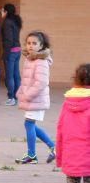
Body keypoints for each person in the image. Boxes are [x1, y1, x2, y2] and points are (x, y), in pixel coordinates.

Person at [55, 63, 90, 183]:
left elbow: (60, 130)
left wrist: (60, 155)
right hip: (88, 158)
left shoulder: (68, 102)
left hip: (71, 155)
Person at [14, 31, 56, 164]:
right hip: (31, 99)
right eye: (28, 43)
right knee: (30, 125)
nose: (31, 46)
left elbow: (41, 83)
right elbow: (26, 81)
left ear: (41, 46)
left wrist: (27, 95)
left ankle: (32, 155)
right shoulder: (30, 59)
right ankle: (53, 147)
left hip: (36, 99)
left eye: (34, 43)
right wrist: (20, 93)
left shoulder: (41, 61)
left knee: (29, 124)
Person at [1, 3, 22, 106]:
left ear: (6, 11)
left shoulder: (7, 23)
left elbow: (9, 39)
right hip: (18, 50)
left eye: (2, 10)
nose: (1, 11)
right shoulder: (16, 21)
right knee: (16, 75)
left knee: (10, 76)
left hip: (11, 51)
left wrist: (5, 53)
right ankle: (17, 97)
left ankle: (11, 97)